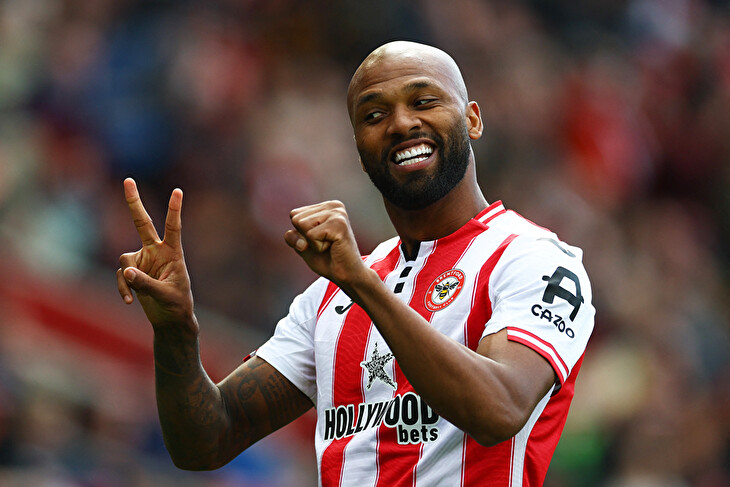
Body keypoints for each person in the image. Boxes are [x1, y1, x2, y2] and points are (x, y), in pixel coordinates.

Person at [116, 41, 594, 486]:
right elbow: (206, 441)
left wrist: (362, 285)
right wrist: (176, 329)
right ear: (361, 152)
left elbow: (500, 409)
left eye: (424, 101)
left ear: (472, 120)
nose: (401, 124)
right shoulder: (330, 295)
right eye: (374, 114)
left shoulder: (534, 259)